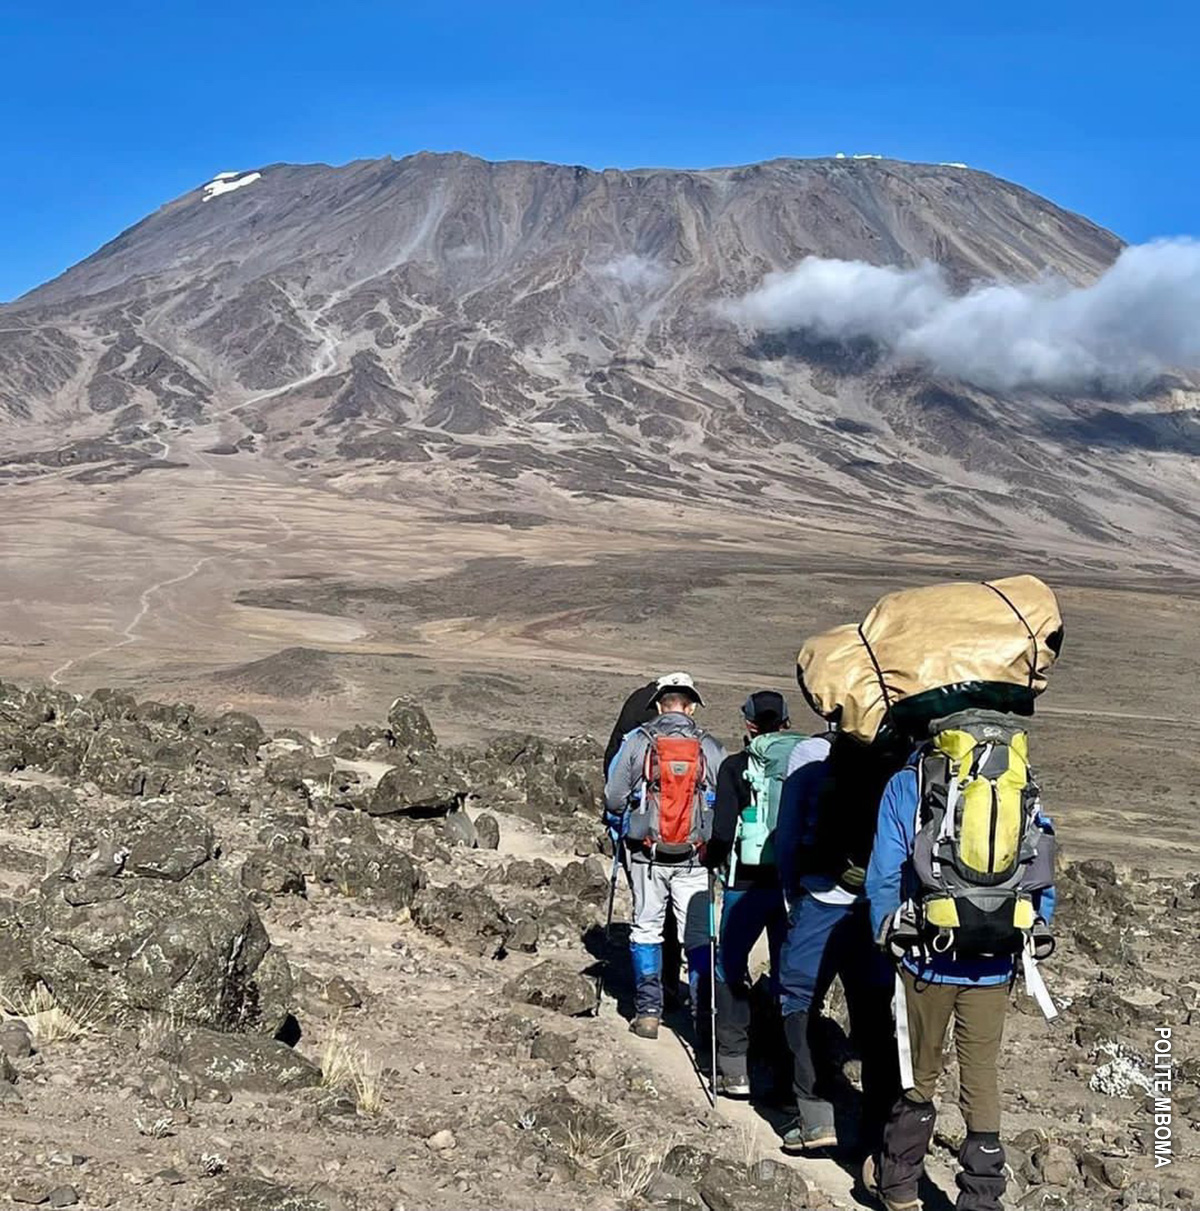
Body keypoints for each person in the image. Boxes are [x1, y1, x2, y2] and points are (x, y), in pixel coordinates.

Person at [863, 720, 1056, 1211]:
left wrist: (888, 933)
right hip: (994, 961)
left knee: (918, 1074)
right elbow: (1041, 865)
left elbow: (885, 870)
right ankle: (982, 1196)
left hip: (928, 957)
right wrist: (1031, 926)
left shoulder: (910, 783)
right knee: (981, 1076)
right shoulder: (1019, 779)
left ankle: (900, 1186)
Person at [773, 732, 904, 1155]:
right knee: (874, 1012)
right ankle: (880, 1128)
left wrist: (793, 892)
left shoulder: (812, 754)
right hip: (880, 907)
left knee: (798, 997)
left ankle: (814, 1114)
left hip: (823, 896)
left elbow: (789, 830)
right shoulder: (904, 756)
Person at [605, 672, 726, 1039]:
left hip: (646, 855)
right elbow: (725, 798)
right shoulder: (710, 746)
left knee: (646, 928)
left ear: (659, 705)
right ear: (690, 706)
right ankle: (704, 1016)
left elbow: (613, 796)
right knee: (699, 935)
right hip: (692, 858)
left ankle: (648, 1013)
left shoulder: (637, 742)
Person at [702, 690, 801, 1098]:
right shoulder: (805, 762)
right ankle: (785, 1076)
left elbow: (723, 831)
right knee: (787, 974)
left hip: (745, 882)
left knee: (729, 964)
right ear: (786, 723)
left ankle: (734, 1067)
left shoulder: (734, 767)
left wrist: (713, 860)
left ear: (748, 724)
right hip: (793, 886)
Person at [604, 677, 683, 1008]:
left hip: (641, 838)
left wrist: (618, 827)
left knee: (647, 915)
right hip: (686, 842)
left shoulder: (635, 716)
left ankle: (648, 1002)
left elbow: (614, 789)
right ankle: (676, 987)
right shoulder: (698, 741)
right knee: (680, 916)